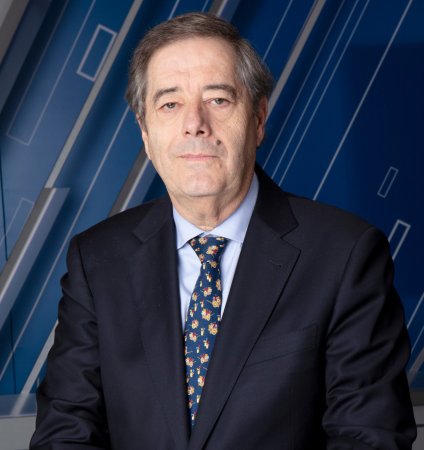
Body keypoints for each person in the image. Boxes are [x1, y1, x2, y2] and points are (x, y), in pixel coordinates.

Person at [30, 12, 416, 450]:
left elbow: (369, 437)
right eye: (170, 104)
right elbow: (66, 431)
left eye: (217, 99)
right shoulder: (97, 259)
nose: (195, 123)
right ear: (145, 132)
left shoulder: (345, 255)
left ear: (258, 118)